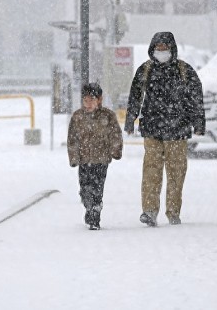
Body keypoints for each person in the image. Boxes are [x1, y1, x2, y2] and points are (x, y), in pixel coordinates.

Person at [124, 32, 206, 227]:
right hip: (152, 129)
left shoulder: (184, 70)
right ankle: (150, 211)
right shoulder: (145, 70)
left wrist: (199, 122)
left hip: (177, 130)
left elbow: (196, 97)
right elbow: (135, 96)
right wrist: (130, 119)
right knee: (151, 171)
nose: (162, 52)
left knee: (176, 173)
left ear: (172, 49)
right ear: (152, 49)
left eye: (165, 48)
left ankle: (173, 211)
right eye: (158, 49)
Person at [67, 82, 123, 230]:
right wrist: (74, 157)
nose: (88, 104)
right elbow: (72, 139)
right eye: (85, 100)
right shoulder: (78, 117)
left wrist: (115, 150)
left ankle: (95, 214)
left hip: (101, 160)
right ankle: (89, 206)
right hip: (84, 160)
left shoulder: (108, 116)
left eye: (92, 100)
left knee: (98, 188)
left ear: (99, 100)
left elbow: (115, 135)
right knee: (85, 188)